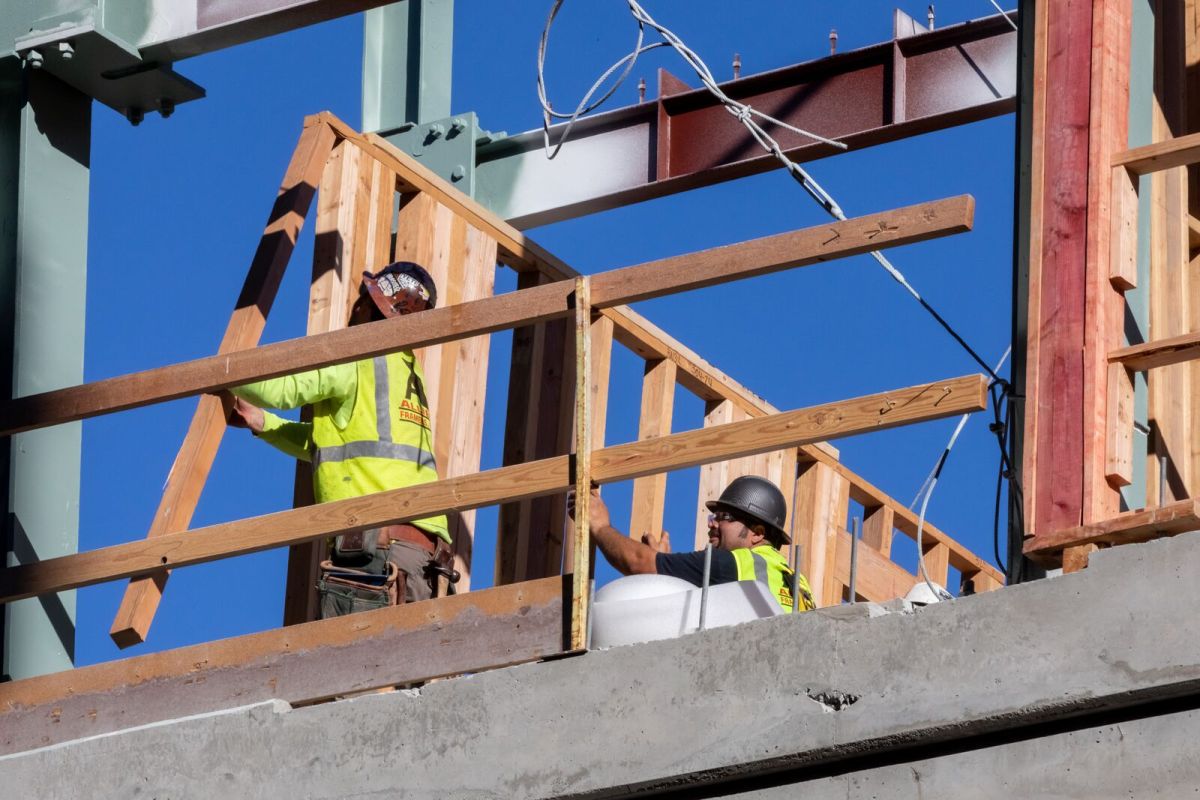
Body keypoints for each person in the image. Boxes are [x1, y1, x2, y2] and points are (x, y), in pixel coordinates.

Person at [224, 261, 455, 615]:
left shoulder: (360, 352)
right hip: (426, 560)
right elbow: (335, 443)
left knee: (362, 665)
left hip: (379, 555)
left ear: (370, 304)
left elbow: (285, 387)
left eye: (362, 299)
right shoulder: (405, 369)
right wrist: (263, 423)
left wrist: (224, 371)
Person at [569, 475, 816, 612]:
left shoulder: (732, 564)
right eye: (714, 516)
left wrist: (600, 526)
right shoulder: (795, 580)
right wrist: (664, 579)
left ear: (757, 533)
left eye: (724, 518)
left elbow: (638, 563)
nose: (712, 524)